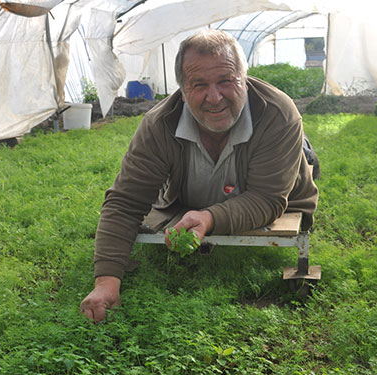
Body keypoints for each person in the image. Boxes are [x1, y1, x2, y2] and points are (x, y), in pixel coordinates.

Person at [80, 29, 318, 322]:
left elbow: (267, 198)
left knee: (299, 160)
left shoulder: (278, 113)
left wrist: (209, 218)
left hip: (272, 185)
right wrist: (106, 282)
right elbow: (126, 201)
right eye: (199, 84)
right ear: (182, 92)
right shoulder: (159, 125)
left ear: (245, 79)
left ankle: (304, 153)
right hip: (193, 196)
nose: (214, 97)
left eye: (226, 81)